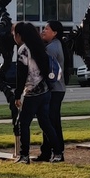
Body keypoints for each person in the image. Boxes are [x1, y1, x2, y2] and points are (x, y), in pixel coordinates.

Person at [11, 20, 57, 165]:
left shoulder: (23, 50)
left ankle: (24, 156)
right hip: (45, 91)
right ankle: (58, 153)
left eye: (14, 34)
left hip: (32, 92)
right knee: (46, 124)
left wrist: (17, 95)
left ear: (19, 35)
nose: (13, 36)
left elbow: (22, 75)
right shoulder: (39, 47)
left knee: (23, 124)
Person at [37, 19, 67, 162]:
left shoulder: (51, 49)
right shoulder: (55, 45)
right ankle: (48, 152)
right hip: (57, 89)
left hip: (54, 90)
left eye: (47, 29)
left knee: (51, 122)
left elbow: (49, 71)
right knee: (50, 121)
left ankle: (57, 152)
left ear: (55, 33)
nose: (43, 30)